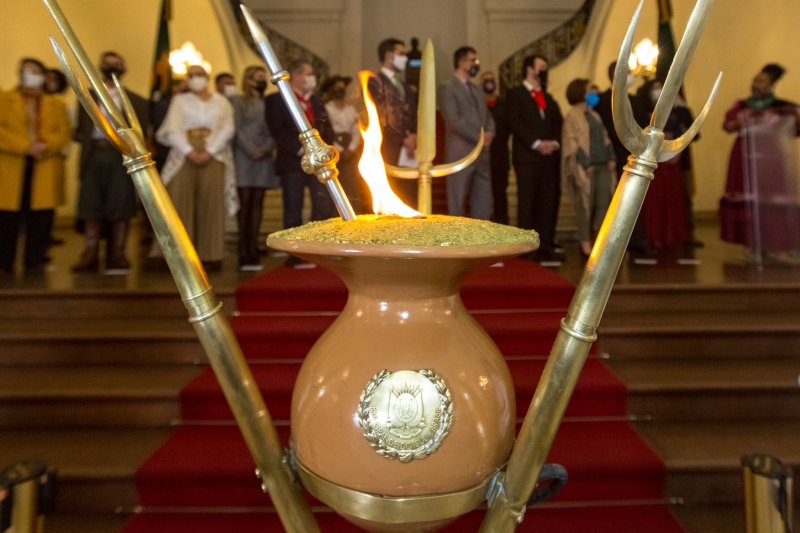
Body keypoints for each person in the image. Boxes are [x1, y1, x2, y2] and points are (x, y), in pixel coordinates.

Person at [72, 51, 149, 273]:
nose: (112, 67)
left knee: (120, 205)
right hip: (94, 155)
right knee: (90, 205)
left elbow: (141, 133)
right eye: (108, 64)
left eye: (117, 64)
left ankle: (118, 254)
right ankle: (90, 253)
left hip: (121, 158)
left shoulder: (136, 102)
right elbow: (79, 130)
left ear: (124, 69)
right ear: (100, 66)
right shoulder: (86, 96)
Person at [155, 64, 236, 272]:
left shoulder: (222, 102)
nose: (195, 79)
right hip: (184, 153)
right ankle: (179, 256)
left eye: (199, 75)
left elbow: (228, 127)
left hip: (214, 153)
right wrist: (189, 151)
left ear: (207, 77)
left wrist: (210, 151)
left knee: (212, 203)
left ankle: (210, 254)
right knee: (179, 202)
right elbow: (172, 129)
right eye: (191, 76)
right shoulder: (180, 101)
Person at [719, 63, 800, 256]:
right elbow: (728, 125)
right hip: (744, 156)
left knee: (770, 201)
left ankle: (773, 245)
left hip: (771, 158)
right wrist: (741, 121)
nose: (755, 83)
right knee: (748, 199)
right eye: (755, 79)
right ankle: (752, 246)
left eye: (761, 80)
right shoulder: (741, 105)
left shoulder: (783, 107)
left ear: (772, 85)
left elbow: (795, 130)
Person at [0, 58, 71, 274]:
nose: (28, 75)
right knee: (7, 218)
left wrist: (44, 147)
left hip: (44, 164)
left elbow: (64, 134)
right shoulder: (5, 99)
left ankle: (35, 260)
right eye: (25, 71)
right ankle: (4, 262)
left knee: (41, 216)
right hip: (12, 163)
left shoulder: (56, 103)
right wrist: (25, 146)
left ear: (43, 75)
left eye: (34, 71)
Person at [266, 59, 336, 240]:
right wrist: (301, 150)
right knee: (293, 208)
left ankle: (319, 244)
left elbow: (327, 128)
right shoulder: (276, 100)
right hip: (292, 161)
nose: (313, 78)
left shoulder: (315, 100)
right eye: (309, 74)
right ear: (296, 76)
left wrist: (321, 150)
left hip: (318, 161)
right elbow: (277, 130)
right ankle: (293, 251)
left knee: (322, 205)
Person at [595, 61, 657, 259]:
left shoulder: (636, 100)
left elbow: (643, 125)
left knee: (634, 201)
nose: (632, 76)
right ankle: (610, 246)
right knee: (612, 202)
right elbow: (602, 128)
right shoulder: (601, 100)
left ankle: (636, 242)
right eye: (628, 72)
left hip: (636, 156)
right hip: (612, 157)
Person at [506, 54, 563, 264]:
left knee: (547, 203)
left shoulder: (547, 97)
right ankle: (525, 248)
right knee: (527, 202)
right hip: (527, 158)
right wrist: (536, 143)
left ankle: (545, 246)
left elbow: (558, 122)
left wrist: (554, 143)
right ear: (530, 69)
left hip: (548, 159)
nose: (545, 71)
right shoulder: (516, 94)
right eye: (542, 67)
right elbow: (514, 121)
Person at [561, 79, 617, 258]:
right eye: (588, 91)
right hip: (586, 168)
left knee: (603, 205)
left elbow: (605, 137)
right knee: (585, 206)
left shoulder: (595, 115)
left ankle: (600, 242)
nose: (593, 94)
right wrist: (585, 164)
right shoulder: (573, 116)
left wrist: (611, 157)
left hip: (602, 166)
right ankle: (585, 243)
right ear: (580, 93)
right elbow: (572, 142)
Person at [438, 46, 495, 220]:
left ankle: (481, 241)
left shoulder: (477, 89)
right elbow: (454, 120)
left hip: (481, 154)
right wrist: (479, 137)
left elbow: (488, 116)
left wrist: (490, 133)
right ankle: (458, 243)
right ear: (462, 62)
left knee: (483, 201)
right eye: (472, 60)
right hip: (460, 154)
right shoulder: (447, 87)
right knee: (457, 203)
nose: (475, 64)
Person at [231, 66, 277, 271]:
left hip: (263, 158)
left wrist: (266, 147)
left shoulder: (269, 102)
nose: (261, 81)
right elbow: (236, 128)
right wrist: (250, 149)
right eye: (257, 78)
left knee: (258, 201)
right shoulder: (238, 101)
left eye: (263, 78)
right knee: (245, 202)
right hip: (244, 156)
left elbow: (273, 128)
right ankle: (243, 248)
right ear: (248, 80)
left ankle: (254, 246)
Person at [635, 79, 691, 248]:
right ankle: (654, 237)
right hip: (654, 163)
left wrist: (676, 151)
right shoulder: (643, 113)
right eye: (655, 88)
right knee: (656, 201)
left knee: (673, 201)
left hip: (672, 163)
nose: (658, 91)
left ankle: (673, 237)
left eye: (661, 88)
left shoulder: (673, 113)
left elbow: (682, 135)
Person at [367, 38, 418, 207]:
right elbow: (382, 114)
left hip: (409, 147)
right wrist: (403, 136)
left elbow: (413, 113)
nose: (405, 58)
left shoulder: (404, 85)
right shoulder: (375, 82)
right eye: (401, 53)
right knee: (392, 191)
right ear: (389, 55)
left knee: (409, 193)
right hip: (389, 145)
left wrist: (414, 135)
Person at [321, 75, 364, 213]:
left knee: (351, 186)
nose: (341, 90)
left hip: (350, 153)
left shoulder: (351, 109)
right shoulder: (327, 109)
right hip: (334, 150)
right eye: (337, 88)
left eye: (343, 88)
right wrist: (338, 149)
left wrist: (351, 149)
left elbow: (356, 130)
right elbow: (326, 132)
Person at [481, 71, 511, 225]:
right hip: (483, 155)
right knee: (482, 194)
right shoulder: (478, 105)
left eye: (491, 79)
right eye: (486, 80)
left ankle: (502, 224)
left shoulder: (505, 105)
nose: (489, 82)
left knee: (500, 194)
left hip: (500, 155)